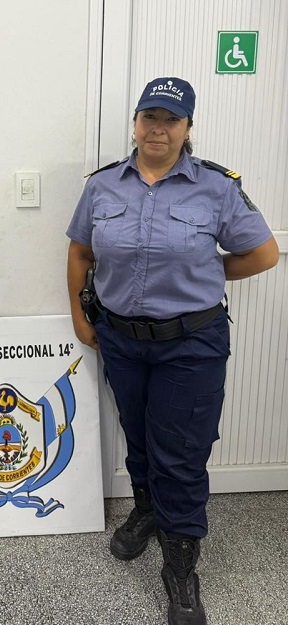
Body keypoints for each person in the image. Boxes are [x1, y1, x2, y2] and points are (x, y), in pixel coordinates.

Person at [66, 77, 279, 625]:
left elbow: (263, 253)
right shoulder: (102, 186)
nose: (158, 129)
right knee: (138, 434)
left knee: (181, 451)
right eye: (150, 117)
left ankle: (181, 562)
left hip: (192, 342)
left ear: (187, 128)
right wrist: (79, 316)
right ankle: (147, 510)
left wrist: (205, 271)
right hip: (121, 338)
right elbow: (81, 252)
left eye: (171, 120)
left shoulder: (216, 187)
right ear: (136, 123)